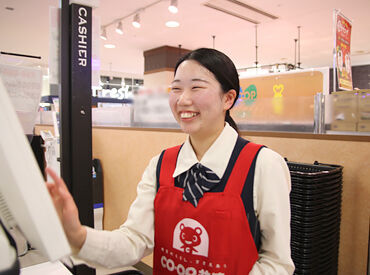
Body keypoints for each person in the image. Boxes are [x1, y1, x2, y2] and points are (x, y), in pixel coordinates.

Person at [47, 48, 294, 274]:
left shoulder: (263, 165)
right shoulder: (160, 165)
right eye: (175, 88)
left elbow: (277, 262)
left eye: (196, 88)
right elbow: (134, 240)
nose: (183, 99)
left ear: (228, 99)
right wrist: (78, 236)